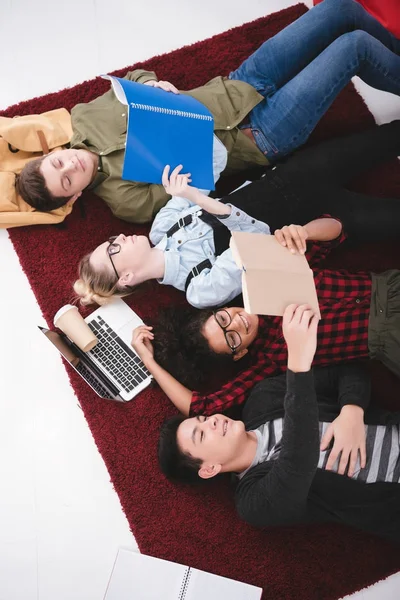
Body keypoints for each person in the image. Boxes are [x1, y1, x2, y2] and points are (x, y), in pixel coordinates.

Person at [17, 0, 400, 223]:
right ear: (72, 199)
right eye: (67, 182)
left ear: (53, 153)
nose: (71, 167)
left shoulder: (82, 116)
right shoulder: (124, 201)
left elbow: (133, 76)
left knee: (339, 8)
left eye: (59, 164)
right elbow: (199, 190)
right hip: (259, 135)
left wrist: (150, 85)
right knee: (353, 48)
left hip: (236, 86)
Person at [73, 121, 400, 307]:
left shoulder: (162, 227)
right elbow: (256, 241)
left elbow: (214, 159)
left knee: (385, 138)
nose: (118, 238)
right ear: (126, 277)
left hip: (288, 179)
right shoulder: (198, 290)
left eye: (110, 239)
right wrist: (196, 198)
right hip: (321, 225)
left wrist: (186, 130)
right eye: (114, 249)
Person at [157, 304, 400, 547]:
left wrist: (352, 411)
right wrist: (298, 364)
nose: (213, 421)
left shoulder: (265, 396)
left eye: (204, 419)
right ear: (209, 468)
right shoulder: (252, 503)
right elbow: (297, 463)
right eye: (201, 435)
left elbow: (348, 370)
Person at [130, 221, 400, 416]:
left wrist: (303, 231)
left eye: (224, 319)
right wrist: (149, 362)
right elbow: (202, 407)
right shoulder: (271, 358)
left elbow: (336, 230)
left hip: (388, 287)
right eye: (232, 338)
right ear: (240, 353)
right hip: (389, 338)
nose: (236, 323)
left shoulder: (269, 277)